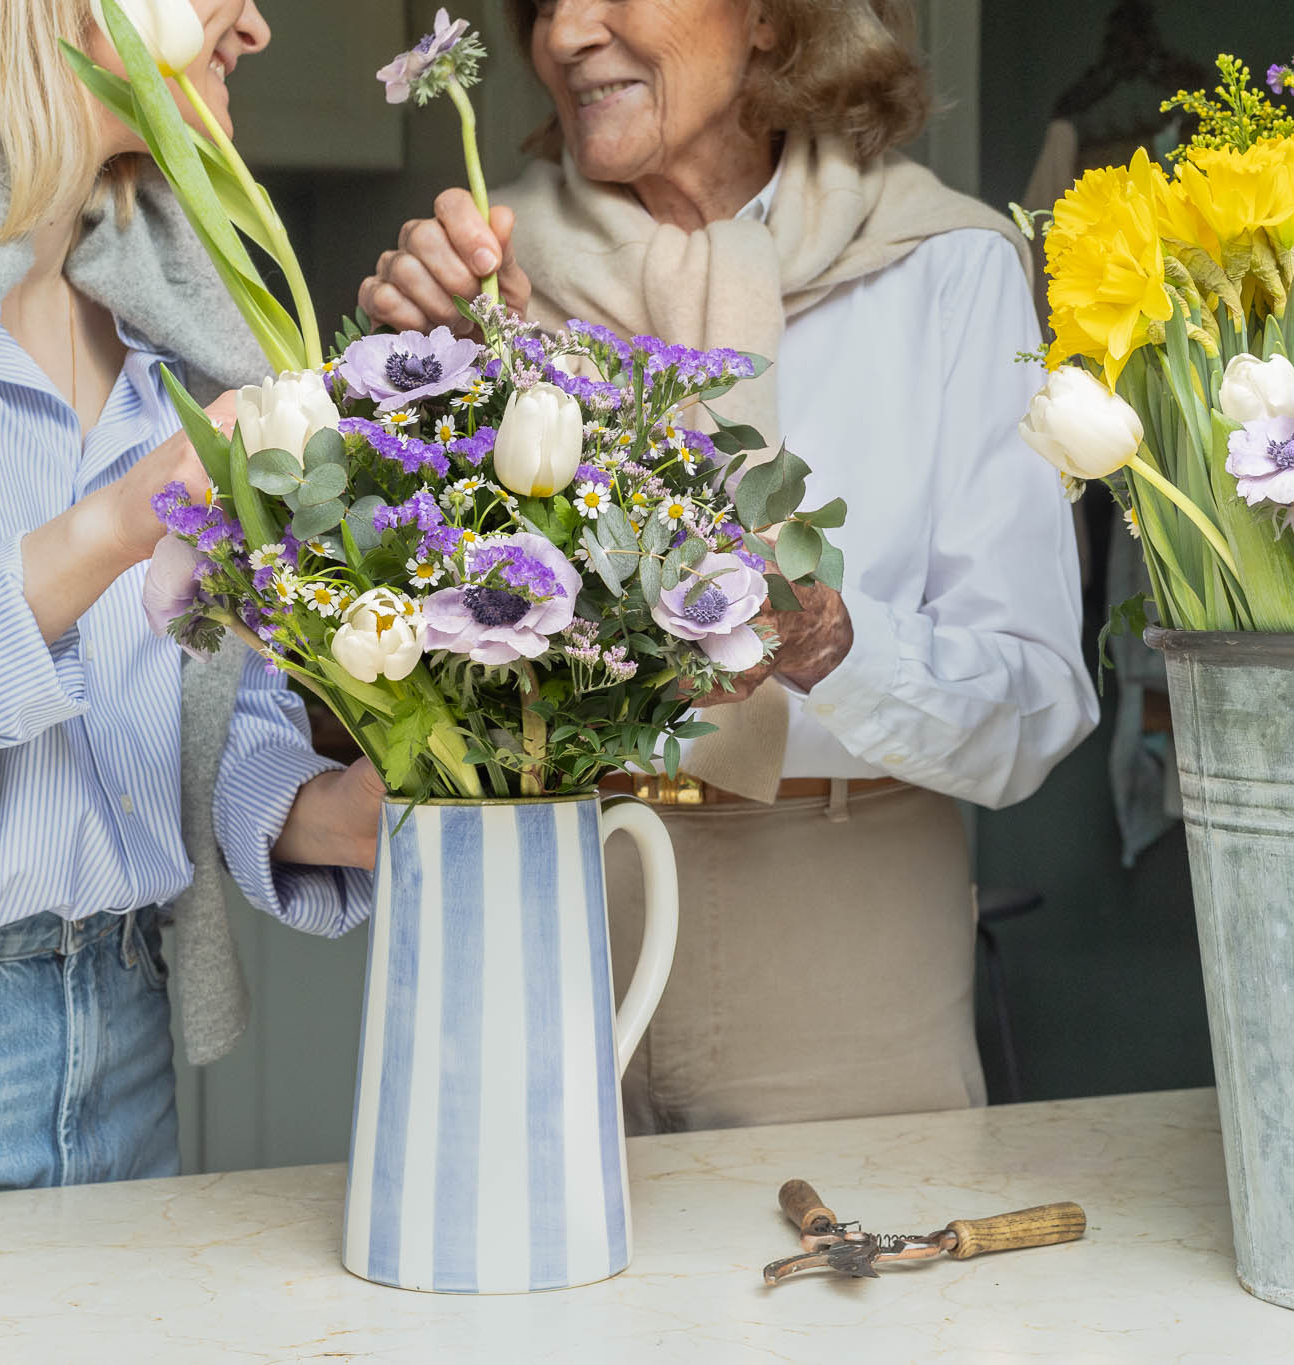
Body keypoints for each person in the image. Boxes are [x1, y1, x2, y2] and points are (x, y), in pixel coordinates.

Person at [359, 0, 1097, 1134]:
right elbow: (375, 657)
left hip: (843, 947)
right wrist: (411, 391)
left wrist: (837, 646)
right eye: (542, 2)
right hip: (537, 910)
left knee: (852, 1255)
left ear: (765, 16)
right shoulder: (478, 275)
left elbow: (1036, 702)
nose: (567, 33)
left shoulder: (947, 268)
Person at [0, 0, 382, 1202]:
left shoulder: (185, 307)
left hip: (126, 1040)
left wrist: (349, 815)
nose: (255, 27)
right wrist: (108, 529)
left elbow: (201, 725)